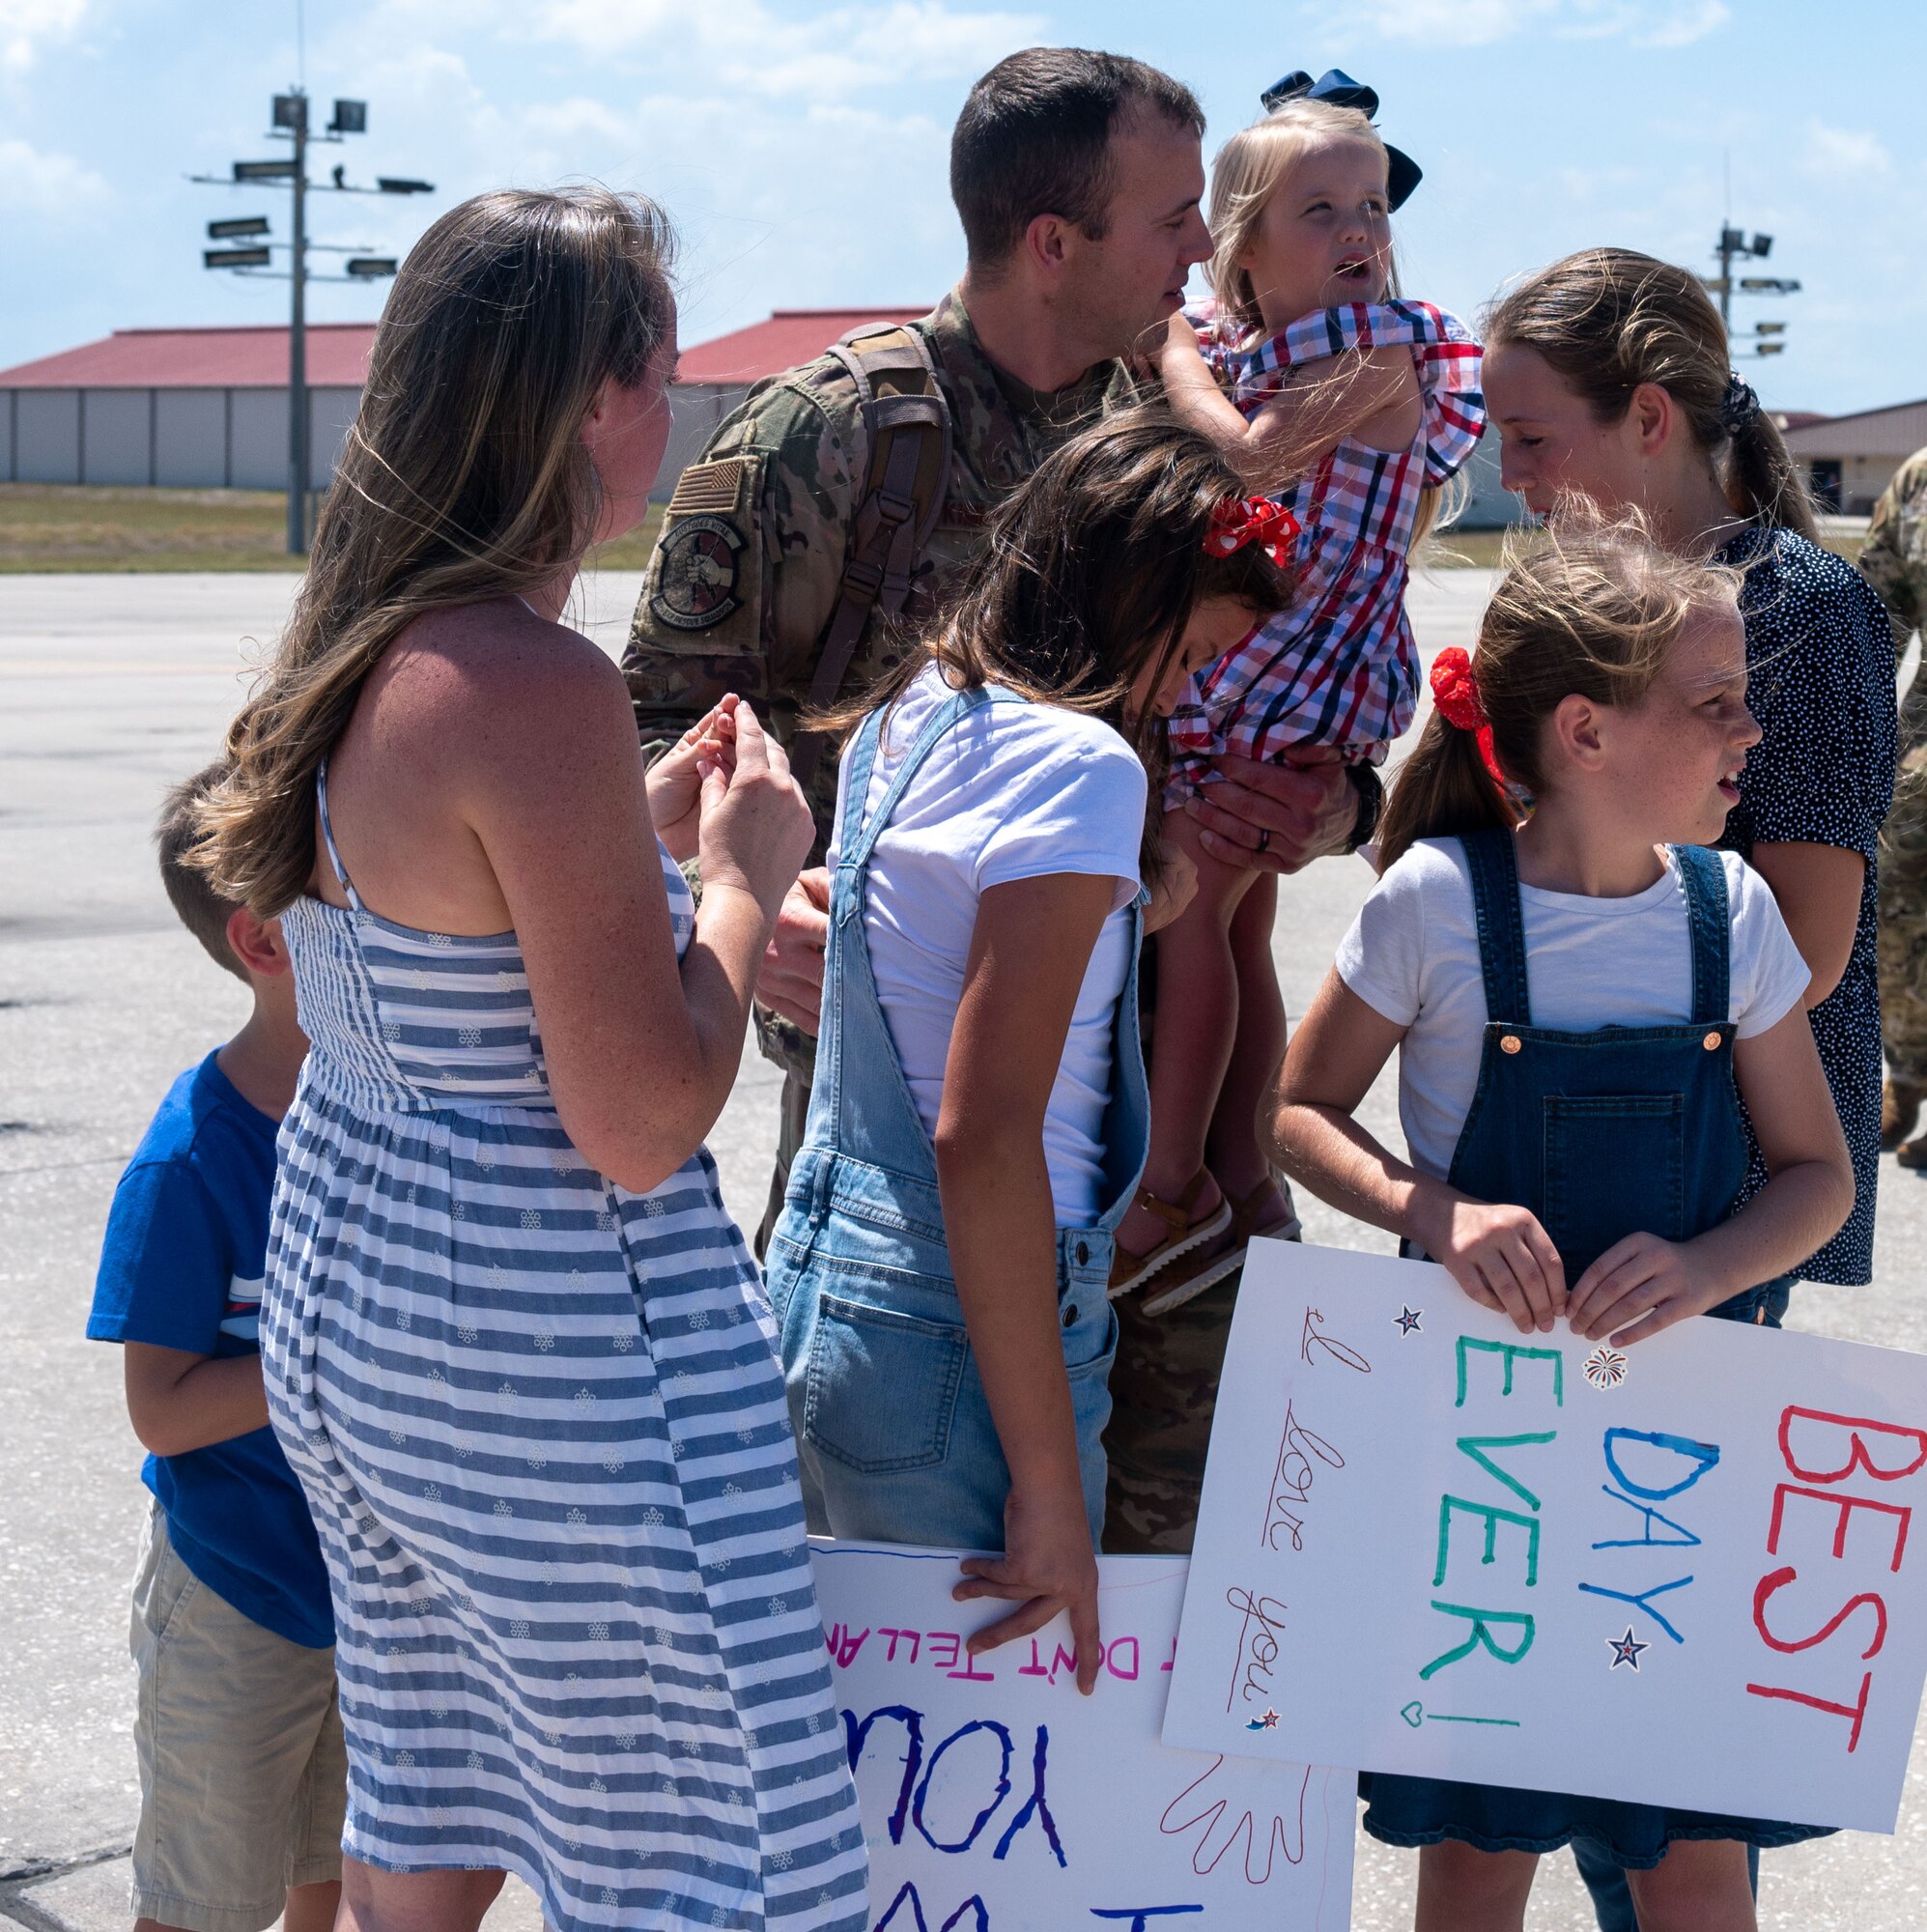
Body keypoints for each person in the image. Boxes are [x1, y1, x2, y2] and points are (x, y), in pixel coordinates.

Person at [189, 188, 864, 1932]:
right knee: (719, 1851)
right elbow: (639, 1124)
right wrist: (738, 883)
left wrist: (629, 848)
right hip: (550, 1348)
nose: (685, 405)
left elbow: (445, 948)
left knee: (427, 1788)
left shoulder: (356, 651)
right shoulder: (528, 678)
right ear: (579, 403)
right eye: (659, 370)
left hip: (366, 1324)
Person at [623, 44, 1376, 1556]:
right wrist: (734, 910)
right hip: (914, 1124)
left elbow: (1318, 701)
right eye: (1172, 218)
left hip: (1150, 1097)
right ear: (1054, 242)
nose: (1200, 255)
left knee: (1194, 1556)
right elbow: (646, 742)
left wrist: (1334, 814)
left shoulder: (1199, 436)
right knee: (925, 1591)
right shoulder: (825, 440)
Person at [1264, 520, 1853, 1932]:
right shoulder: (1433, 909)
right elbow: (1295, 1113)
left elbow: (1813, 1177)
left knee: (1694, 1865)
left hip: (1683, 1477)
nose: (1749, 730)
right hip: (1485, 1483)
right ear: (1583, 730)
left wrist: (1709, 1266)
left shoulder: (1733, 914)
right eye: (1712, 702)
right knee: (1475, 1857)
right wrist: (1437, 1211)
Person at [765, 410, 1290, 1684]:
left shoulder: (913, 718)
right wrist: (1048, 1484)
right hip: (969, 1336)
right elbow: (985, 1131)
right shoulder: (1081, 768)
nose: (1187, 690)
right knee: (983, 1795)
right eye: (1193, 652)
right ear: (1140, 594)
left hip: (827, 1303)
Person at [1128, 83, 1485, 1311]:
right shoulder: (1274, 351)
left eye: (1372, 206)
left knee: (1190, 916)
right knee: (1228, 923)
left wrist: (1169, 348)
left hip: (1288, 671)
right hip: (1266, 661)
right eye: (1321, 206)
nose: (1358, 229)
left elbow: (1242, 458)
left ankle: (1170, 1179)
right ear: (1241, 245)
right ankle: (1237, 1166)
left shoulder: (1377, 351)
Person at [87, 762, 340, 1932]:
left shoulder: (385, 1106)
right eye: (349, 886)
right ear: (265, 941)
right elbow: (164, 1409)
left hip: (372, 1590)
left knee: (338, 1878)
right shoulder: (190, 1161)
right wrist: (326, 1359)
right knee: (203, 1901)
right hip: (237, 1587)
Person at [1858, 447, 1927, 1159]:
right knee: (1893, 905)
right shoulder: (1917, 477)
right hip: (1920, 742)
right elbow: (1877, 614)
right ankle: (1905, 1079)